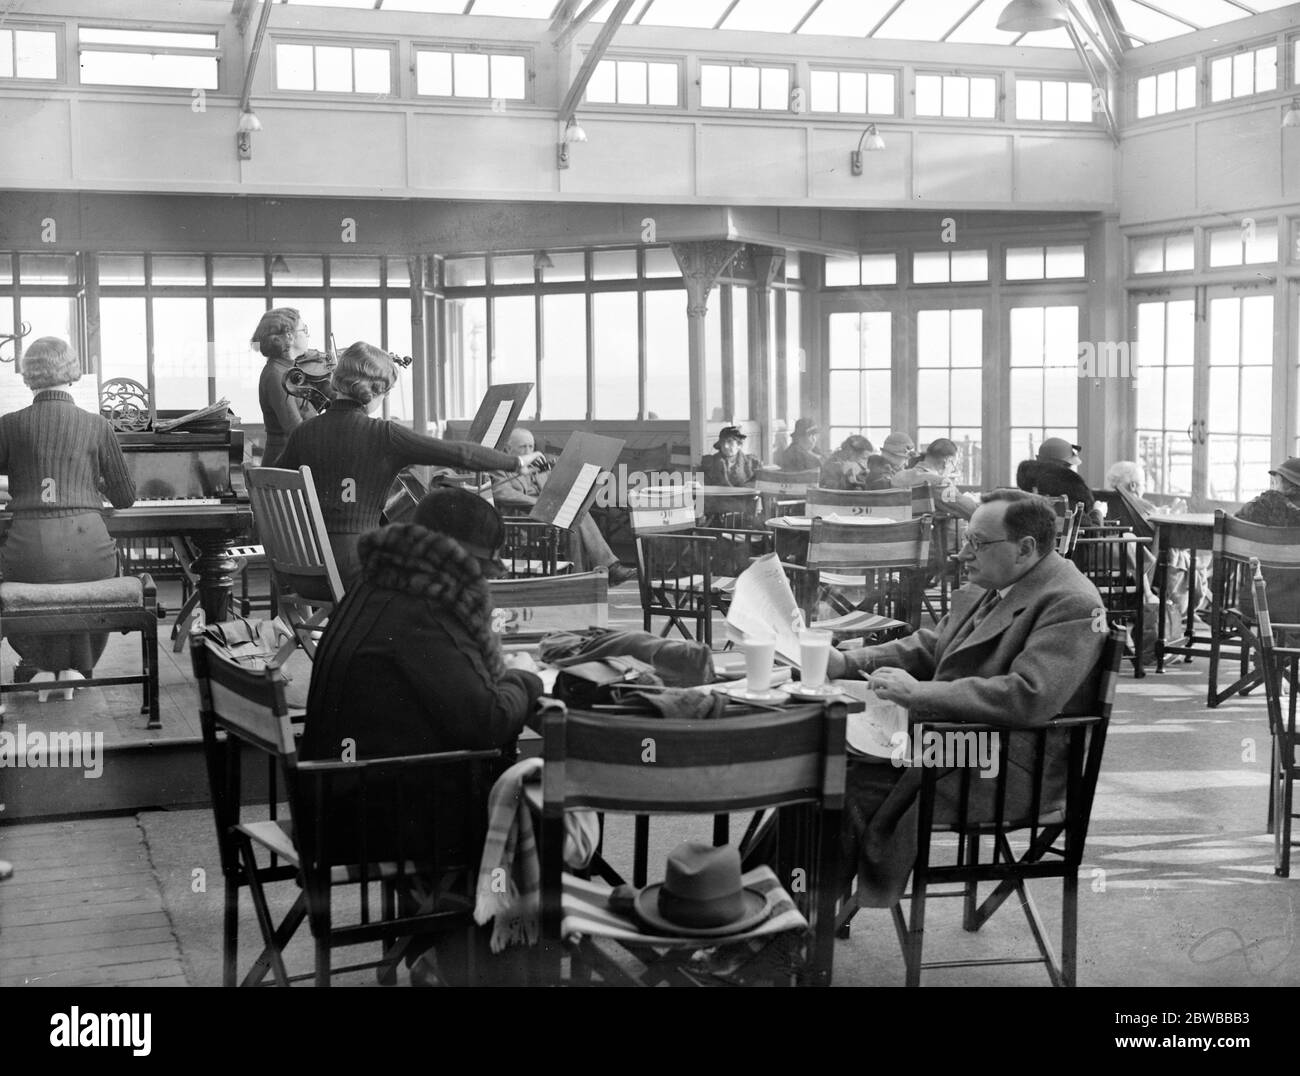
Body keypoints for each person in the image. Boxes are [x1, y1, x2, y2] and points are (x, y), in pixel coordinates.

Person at [302, 487, 541, 985]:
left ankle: (441, 947)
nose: (487, 580)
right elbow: (488, 720)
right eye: (488, 568)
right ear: (464, 560)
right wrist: (526, 677)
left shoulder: (371, 584)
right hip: (379, 816)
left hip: (334, 798)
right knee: (542, 809)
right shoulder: (425, 610)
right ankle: (482, 966)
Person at [825, 489, 1107, 906]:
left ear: (1026, 548)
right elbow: (933, 645)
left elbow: (1028, 696)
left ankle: (784, 932)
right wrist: (846, 662)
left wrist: (920, 693)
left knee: (842, 783)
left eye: (977, 543)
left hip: (1002, 763)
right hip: (958, 743)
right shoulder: (1002, 582)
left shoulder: (1072, 602)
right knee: (821, 767)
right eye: (966, 540)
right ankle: (768, 921)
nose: (961, 554)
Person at [277, 342, 546, 588]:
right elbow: (461, 454)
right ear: (377, 390)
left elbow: (276, 483)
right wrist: (517, 462)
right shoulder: (384, 434)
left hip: (302, 570)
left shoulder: (305, 432)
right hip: (358, 571)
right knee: (438, 577)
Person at [0, 337, 136, 699]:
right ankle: (77, 667)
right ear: (71, 372)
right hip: (88, 548)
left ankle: (41, 666)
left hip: (28, 551)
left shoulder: (8, 424)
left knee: (37, 583)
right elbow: (126, 497)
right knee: (82, 583)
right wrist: (94, 483)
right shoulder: (96, 425)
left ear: (30, 376)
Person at [492, 428, 638, 586]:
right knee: (573, 518)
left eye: (531, 447)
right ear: (507, 449)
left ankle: (580, 579)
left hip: (546, 518)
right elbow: (501, 493)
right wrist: (539, 504)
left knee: (575, 515)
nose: (529, 451)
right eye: (523, 447)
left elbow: (555, 491)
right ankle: (606, 569)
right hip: (521, 524)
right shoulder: (500, 467)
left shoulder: (539, 467)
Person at [252, 307, 318, 467]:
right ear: (290, 336)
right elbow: (296, 430)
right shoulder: (277, 374)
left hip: (293, 463)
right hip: (284, 467)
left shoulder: (290, 370)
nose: (308, 335)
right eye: (305, 329)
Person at [1016, 437, 1104, 524]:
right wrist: (1098, 513)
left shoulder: (1025, 493)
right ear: (1062, 468)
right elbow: (1090, 531)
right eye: (1069, 466)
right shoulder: (1067, 498)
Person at [891, 437, 979, 518]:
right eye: (953, 466)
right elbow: (971, 510)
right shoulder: (939, 482)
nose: (953, 470)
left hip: (899, 532)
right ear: (947, 461)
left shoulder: (897, 477)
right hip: (929, 534)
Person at [1237, 457, 1300, 527]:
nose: (1273, 487)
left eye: (1276, 482)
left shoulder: (1267, 503)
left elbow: (1235, 521)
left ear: (1292, 489)